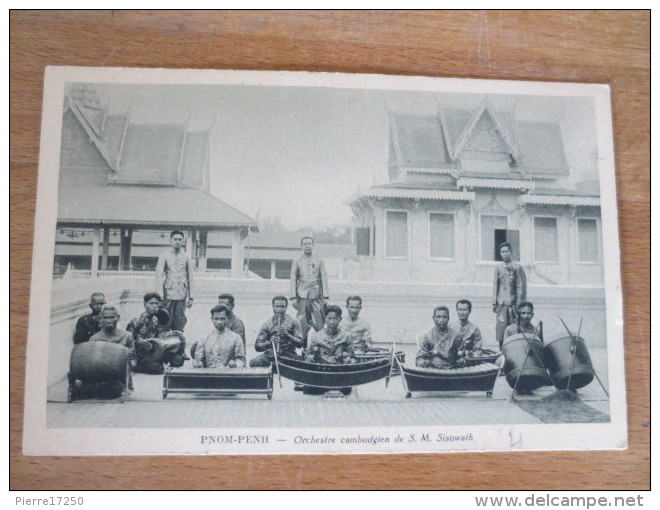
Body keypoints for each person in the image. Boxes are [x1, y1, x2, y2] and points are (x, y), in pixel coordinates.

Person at [127, 292, 188, 374]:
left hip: (153, 353)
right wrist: (138, 342)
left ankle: (161, 364)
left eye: (156, 303)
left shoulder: (155, 320)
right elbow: (127, 342)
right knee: (156, 367)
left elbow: (157, 339)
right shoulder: (135, 321)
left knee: (179, 360)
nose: (154, 306)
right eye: (151, 303)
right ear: (145, 304)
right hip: (140, 356)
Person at [290, 236, 328, 343]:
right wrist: (293, 297)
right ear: (301, 246)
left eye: (309, 244)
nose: (307, 246)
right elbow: (293, 278)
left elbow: (324, 278)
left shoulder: (319, 260)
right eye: (305, 244)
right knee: (302, 323)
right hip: (302, 296)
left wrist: (325, 296)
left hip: (316, 296)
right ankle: (303, 347)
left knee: (319, 322)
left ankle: (321, 345)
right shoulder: (297, 260)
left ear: (313, 245)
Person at [155, 230, 194, 332]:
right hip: (168, 293)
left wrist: (191, 296)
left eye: (180, 239)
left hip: (182, 293)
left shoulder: (186, 256)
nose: (177, 241)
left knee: (180, 320)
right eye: (175, 239)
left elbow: (190, 277)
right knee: (166, 319)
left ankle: (178, 342)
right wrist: (160, 296)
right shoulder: (164, 255)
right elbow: (158, 276)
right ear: (170, 240)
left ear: (183, 241)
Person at [250, 296, 304, 367]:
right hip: (271, 355)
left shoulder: (294, 322)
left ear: (286, 307)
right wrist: (269, 343)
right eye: (277, 306)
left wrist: (288, 335)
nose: (279, 309)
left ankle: (277, 366)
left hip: (289, 355)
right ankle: (279, 367)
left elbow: (300, 344)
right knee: (253, 362)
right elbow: (257, 346)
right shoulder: (267, 324)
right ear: (273, 307)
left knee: (304, 363)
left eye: (282, 307)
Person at [492, 242, 527, 349]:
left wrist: (519, 304)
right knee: (501, 328)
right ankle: (501, 350)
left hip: (513, 304)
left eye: (507, 251)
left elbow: (521, 286)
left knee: (514, 328)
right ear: (500, 253)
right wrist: (494, 302)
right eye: (502, 252)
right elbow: (495, 285)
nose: (504, 254)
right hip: (501, 304)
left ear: (511, 252)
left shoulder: (517, 267)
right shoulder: (498, 267)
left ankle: (515, 350)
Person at [89, 305, 137, 372]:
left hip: (121, 376)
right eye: (105, 318)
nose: (108, 321)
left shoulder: (127, 336)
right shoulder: (94, 339)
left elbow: (133, 360)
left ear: (118, 318)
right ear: (101, 319)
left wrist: (131, 363)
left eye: (112, 317)